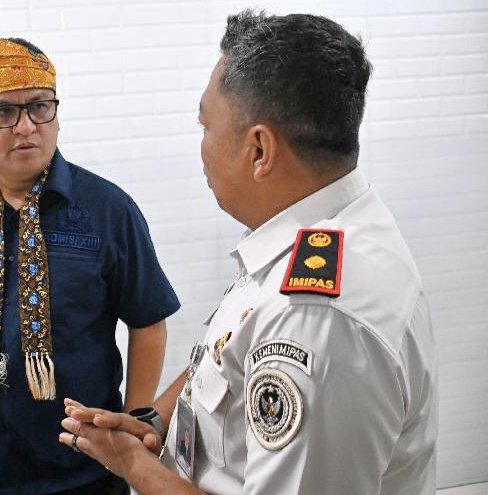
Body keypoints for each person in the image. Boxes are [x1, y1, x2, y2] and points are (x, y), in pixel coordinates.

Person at [59, 9, 438, 495]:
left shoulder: (313, 318)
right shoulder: (310, 235)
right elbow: (226, 355)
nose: (202, 148)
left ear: (259, 150)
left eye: (205, 126)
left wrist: (133, 465)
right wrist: (156, 422)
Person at [0, 36, 180, 495]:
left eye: (40, 107)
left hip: (86, 466)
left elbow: (148, 323)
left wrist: (130, 429)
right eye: (4, 112)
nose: (26, 127)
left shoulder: (108, 210)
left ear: (57, 114)